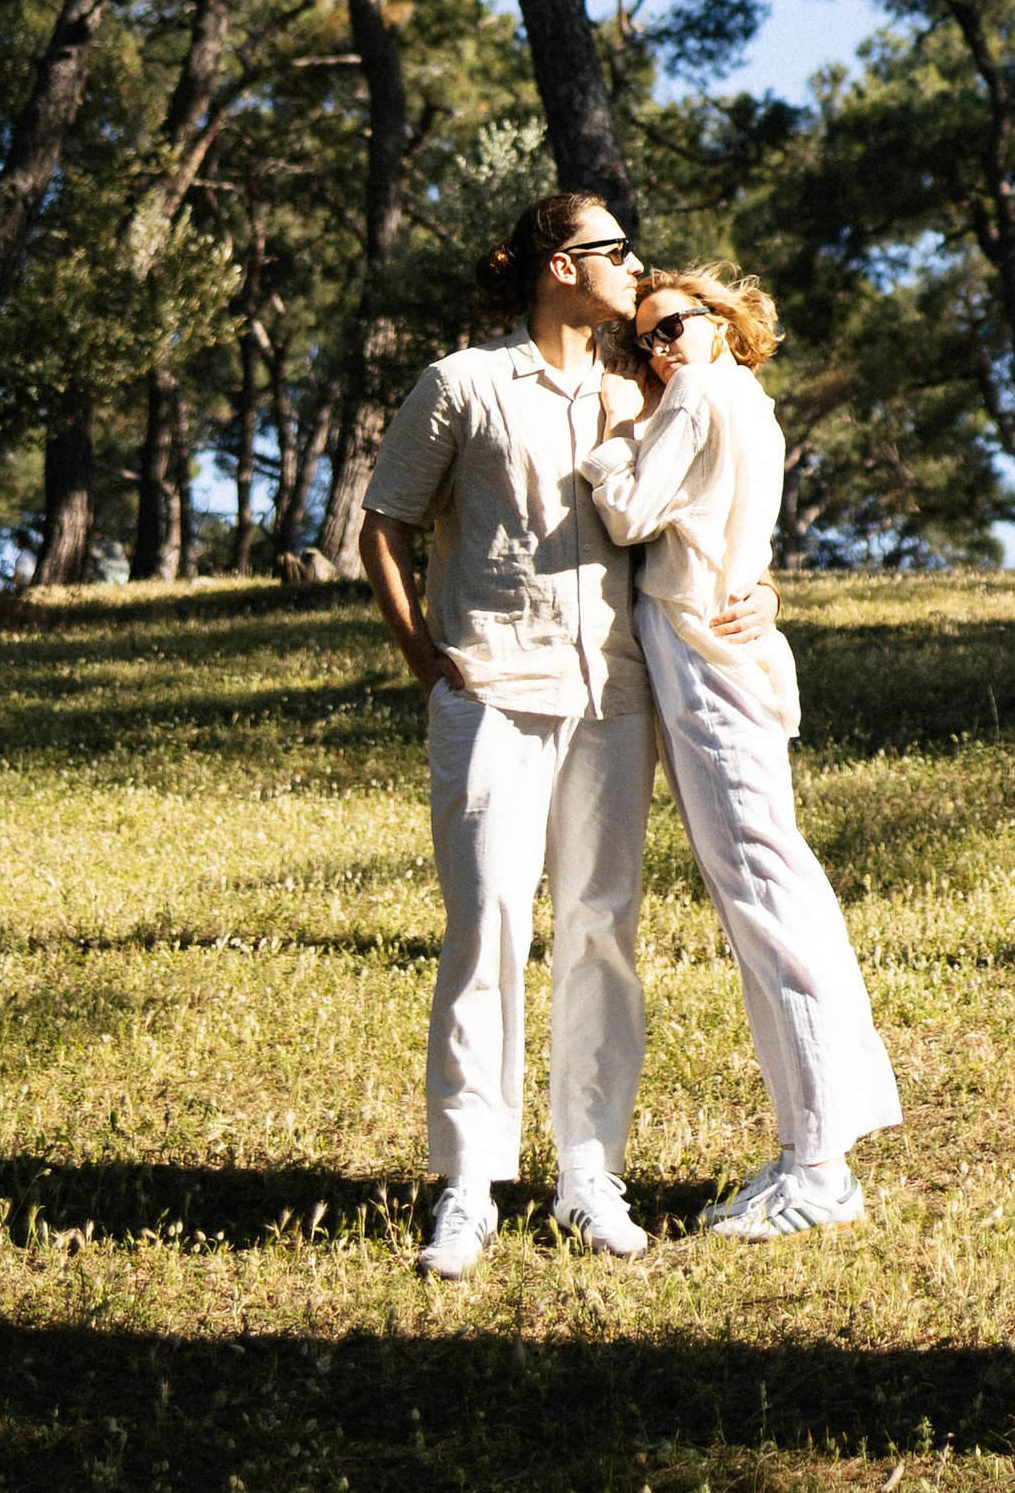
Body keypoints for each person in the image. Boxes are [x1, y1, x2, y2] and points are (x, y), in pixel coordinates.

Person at [356, 188, 663, 1280]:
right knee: (486, 925)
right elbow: (383, 524)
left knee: (601, 928)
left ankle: (589, 1174)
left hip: (616, 697)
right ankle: (470, 1185)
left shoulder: (638, 390)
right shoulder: (461, 384)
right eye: (615, 249)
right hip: (490, 691)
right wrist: (421, 654)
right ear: (559, 267)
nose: (635, 266)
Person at [577, 264, 902, 1239]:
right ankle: (811, 1144)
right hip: (725, 655)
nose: (658, 351)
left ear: (719, 322)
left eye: (673, 326)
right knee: (776, 895)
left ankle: (820, 1172)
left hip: (707, 663)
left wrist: (611, 439)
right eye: (645, 340)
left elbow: (629, 515)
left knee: (766, 900)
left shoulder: (700, 391)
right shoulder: (747, 401)